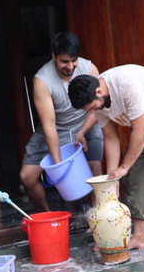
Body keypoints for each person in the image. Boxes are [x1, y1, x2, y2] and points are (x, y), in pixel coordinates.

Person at [68, 65, 144, 260]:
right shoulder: (97, 99)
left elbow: (140, 132)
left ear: (99, 91)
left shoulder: (125, 83)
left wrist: (123, 166)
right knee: (132, 178)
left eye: (91, 107)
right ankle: (140, 236)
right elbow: (111, 137)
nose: (92, 111)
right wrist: (112, 175)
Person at [19, 31, 104, 213]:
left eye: (74, 60)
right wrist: (59, 165)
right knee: (27, 177)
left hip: (86, 122)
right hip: (56, 128)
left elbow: (97, 108)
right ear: (53, 56)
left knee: (95, 169)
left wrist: (83, 130)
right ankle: (49, 216)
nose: (70, 66)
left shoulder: (89, 69)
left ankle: (96, 215)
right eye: (64, 61)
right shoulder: (42, 81)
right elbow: (49, 126)